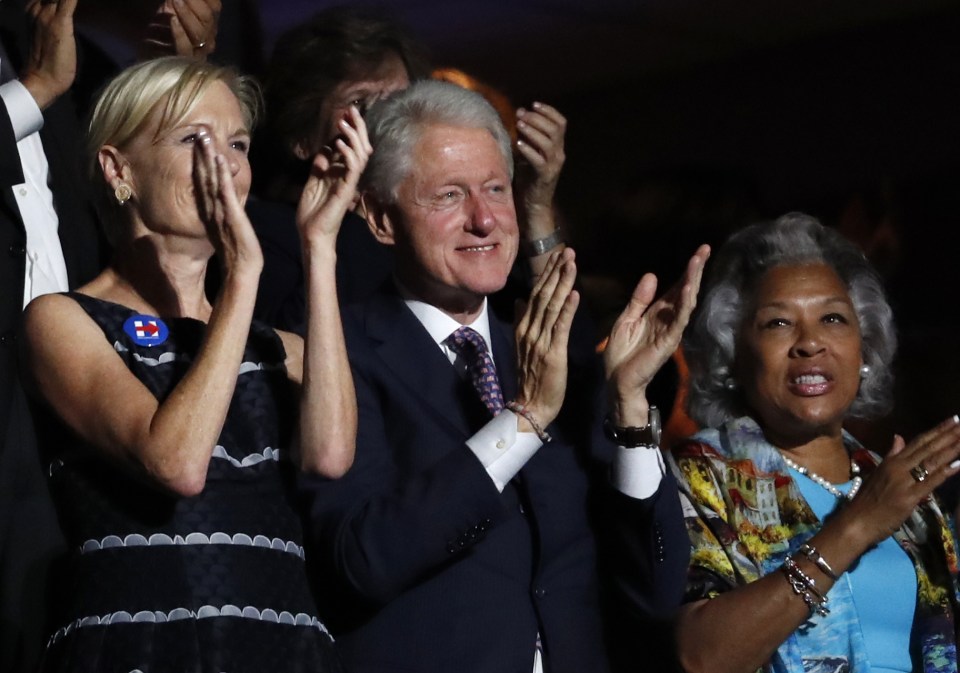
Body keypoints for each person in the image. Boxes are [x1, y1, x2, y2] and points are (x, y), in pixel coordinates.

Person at [301, 79, 710, 673]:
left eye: (496, 189)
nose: (485, 219)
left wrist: (628, 406)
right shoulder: (341, 351)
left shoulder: (546, 346)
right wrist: (523, 422)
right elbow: (362, 562)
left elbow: (655, 586)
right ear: (382, 219)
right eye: (448, 195)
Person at [19, 55, 368, 672]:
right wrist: (243, 278)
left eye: (237, 143)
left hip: (286, 647)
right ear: (118, 169)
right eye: (193, 140)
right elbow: (176, 462)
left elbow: (331, 455)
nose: (225, 164)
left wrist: (319, 247)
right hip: (145, 647)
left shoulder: (281, 346)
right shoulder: (64, 320)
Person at [670, 213, 960, 673]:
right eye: (778, 323)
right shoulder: (702, 474)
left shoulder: (910, 496)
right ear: (734, 356)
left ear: (863, 350)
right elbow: (703, 658)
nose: (810, 343)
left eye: (832, 318)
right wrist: (858, 525)